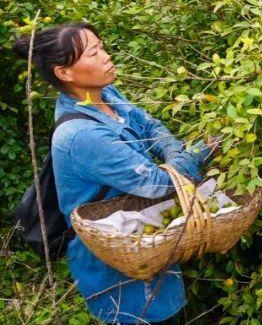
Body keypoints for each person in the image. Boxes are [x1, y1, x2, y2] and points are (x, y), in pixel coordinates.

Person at [12, 23, 214, 324]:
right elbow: (158, 184)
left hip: (146, 234)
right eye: (94, 53)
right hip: (115, 259)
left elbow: (149, 126)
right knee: (146, 316)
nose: (106, 56)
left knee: (172, 309)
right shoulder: (81, 135)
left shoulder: (103, 93)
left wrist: (173, 154)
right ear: (64, 72)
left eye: (102, 47)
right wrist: (196, 156)